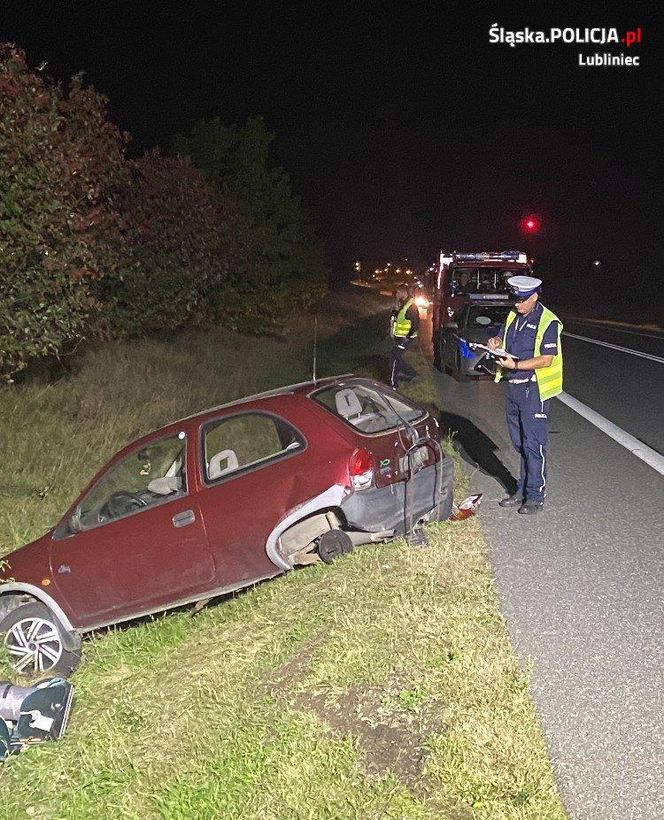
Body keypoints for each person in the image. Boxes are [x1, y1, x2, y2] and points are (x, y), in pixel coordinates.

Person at [487, 275, 563, 515]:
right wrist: (495, 341)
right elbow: (503, 338)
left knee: (533, 445)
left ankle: (535, 495)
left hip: (534, 389)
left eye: (521, 300)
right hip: (514, 388)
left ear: (534, 296)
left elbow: (546, 359)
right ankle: (521, 490)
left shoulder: (548, 321)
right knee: (520, 443)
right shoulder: (513, 316)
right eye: (514, 299)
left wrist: (516, 365)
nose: (517, 304)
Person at [389, 284, 420, 390]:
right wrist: (395, 312)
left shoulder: (411, 305)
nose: (396, 295)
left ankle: (393, 385)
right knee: (396, 356)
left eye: (397, 293)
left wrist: (407, 337)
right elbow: (402, 317)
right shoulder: (404, 303)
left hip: (406, 338)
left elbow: (415, 323)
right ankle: (411, 374)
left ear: (403, 292)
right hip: (401, 337)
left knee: (393, 357)